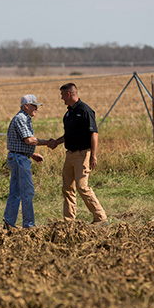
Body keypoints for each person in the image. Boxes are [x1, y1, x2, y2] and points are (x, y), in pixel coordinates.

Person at [48, 83, 108, 227]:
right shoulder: (68, 113)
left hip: (83, 154)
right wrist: (56, 142)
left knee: (82, 187)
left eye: (62, 95)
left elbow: (94, 133)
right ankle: (69, 221)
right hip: (70, 155)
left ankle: (100, 217)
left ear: (69, 94)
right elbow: (68, 135)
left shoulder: (85, 110)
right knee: (67, 188)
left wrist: (93, 155)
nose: (61, 98)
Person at [3, 94, 52, 229]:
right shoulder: (21, 118)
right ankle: (29, 225)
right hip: (19, 159)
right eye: (34, 105)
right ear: (26, 106)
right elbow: (29, 140)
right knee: (27, 192)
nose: (36, 108)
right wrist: (47, 143)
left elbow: (20, 142)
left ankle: (9, 223)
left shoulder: (24, 118)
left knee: (16, 191)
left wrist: (31, 154)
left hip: (18, 157)